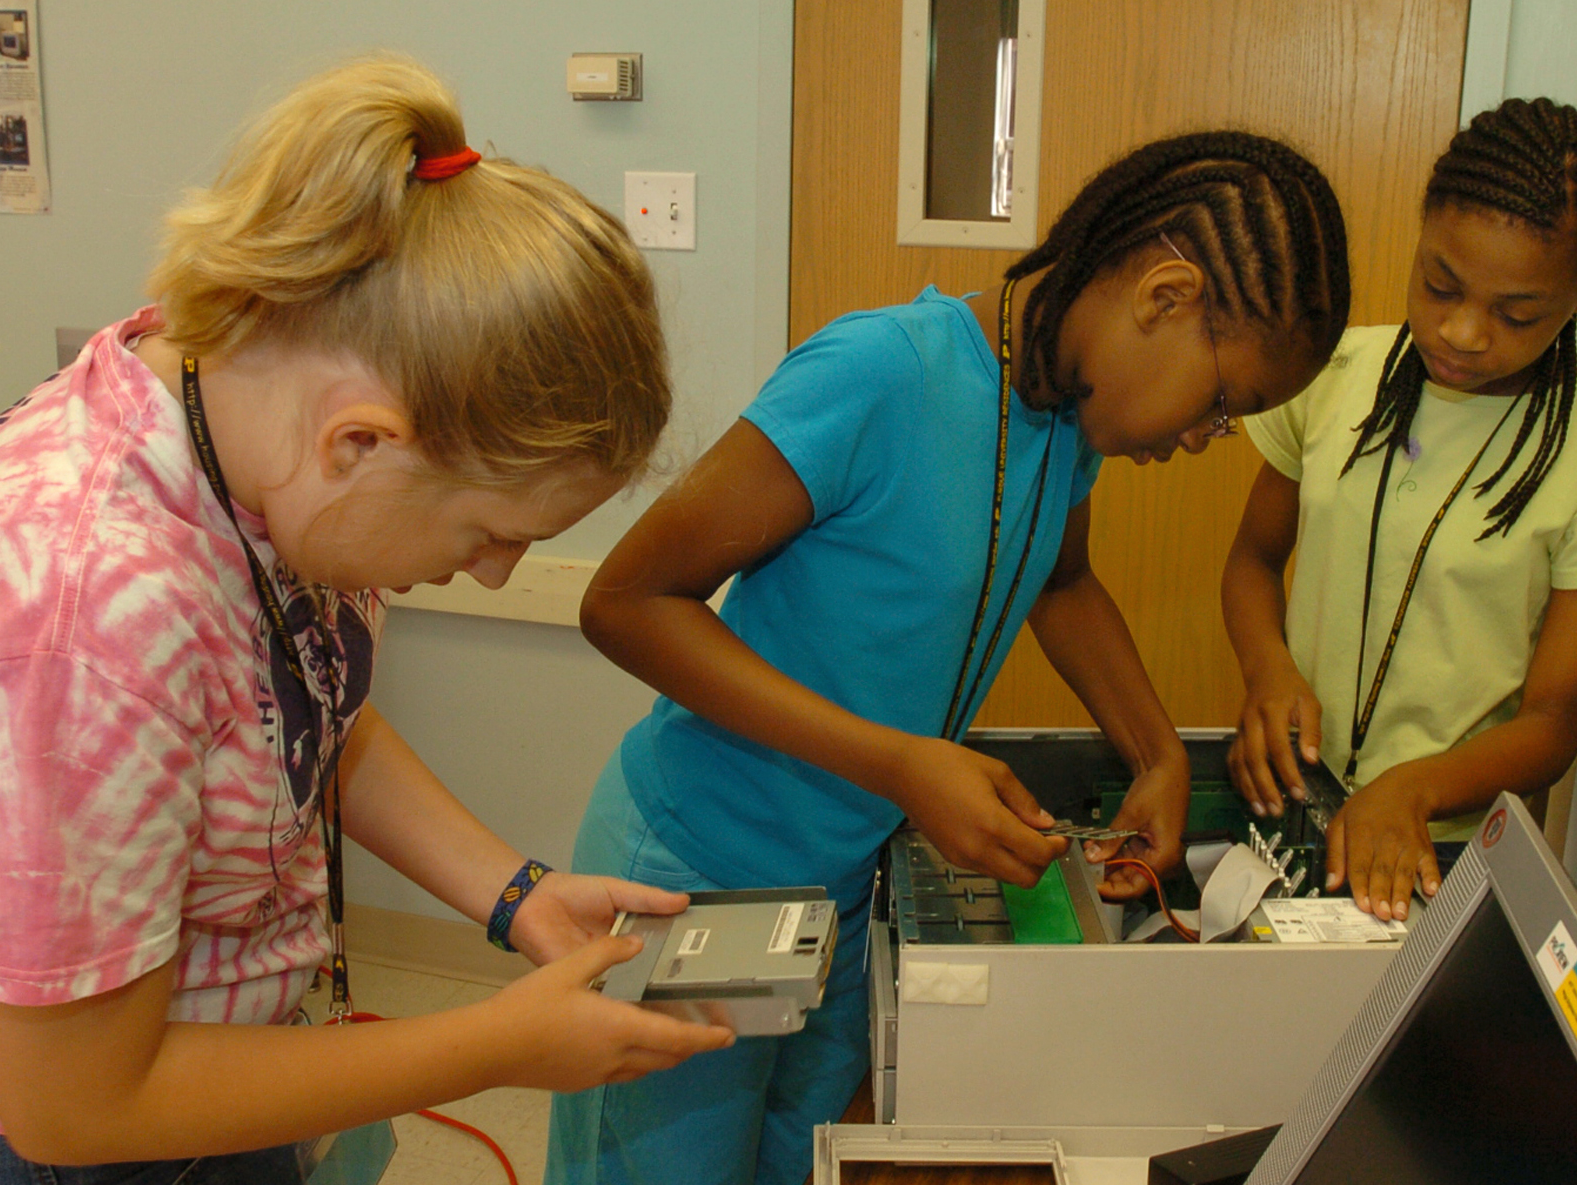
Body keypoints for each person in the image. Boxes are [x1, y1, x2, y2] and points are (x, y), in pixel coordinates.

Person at [0, 56, 732, 1183]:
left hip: (232, 1075)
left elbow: (301, 712)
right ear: (361, 442)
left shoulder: (253, 412)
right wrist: (491, 1047)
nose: (500, 576)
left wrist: (512, 895)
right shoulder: (85, 621)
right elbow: (75, 1107)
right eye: (485, 535)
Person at [549, 132, 1351, 1185]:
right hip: (699, 879)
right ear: (1165, 295)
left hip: (837, 893)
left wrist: (1155, 753)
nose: (1209, 436)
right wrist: (899, 766)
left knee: (807, 1162)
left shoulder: (1067, 418)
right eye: (1220, 402)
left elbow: (1061, 584)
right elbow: (626, 602)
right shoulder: (882, 373)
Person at [1222, 97, 1577, 923]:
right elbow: (1254, 563)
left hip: (1446, 845)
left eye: (1517, 314)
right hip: (1287, 795)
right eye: (1439, 284)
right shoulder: (1335, 375)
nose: (1464, 332)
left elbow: (1554, 719)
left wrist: (1416, 787)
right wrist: (1269, 670)